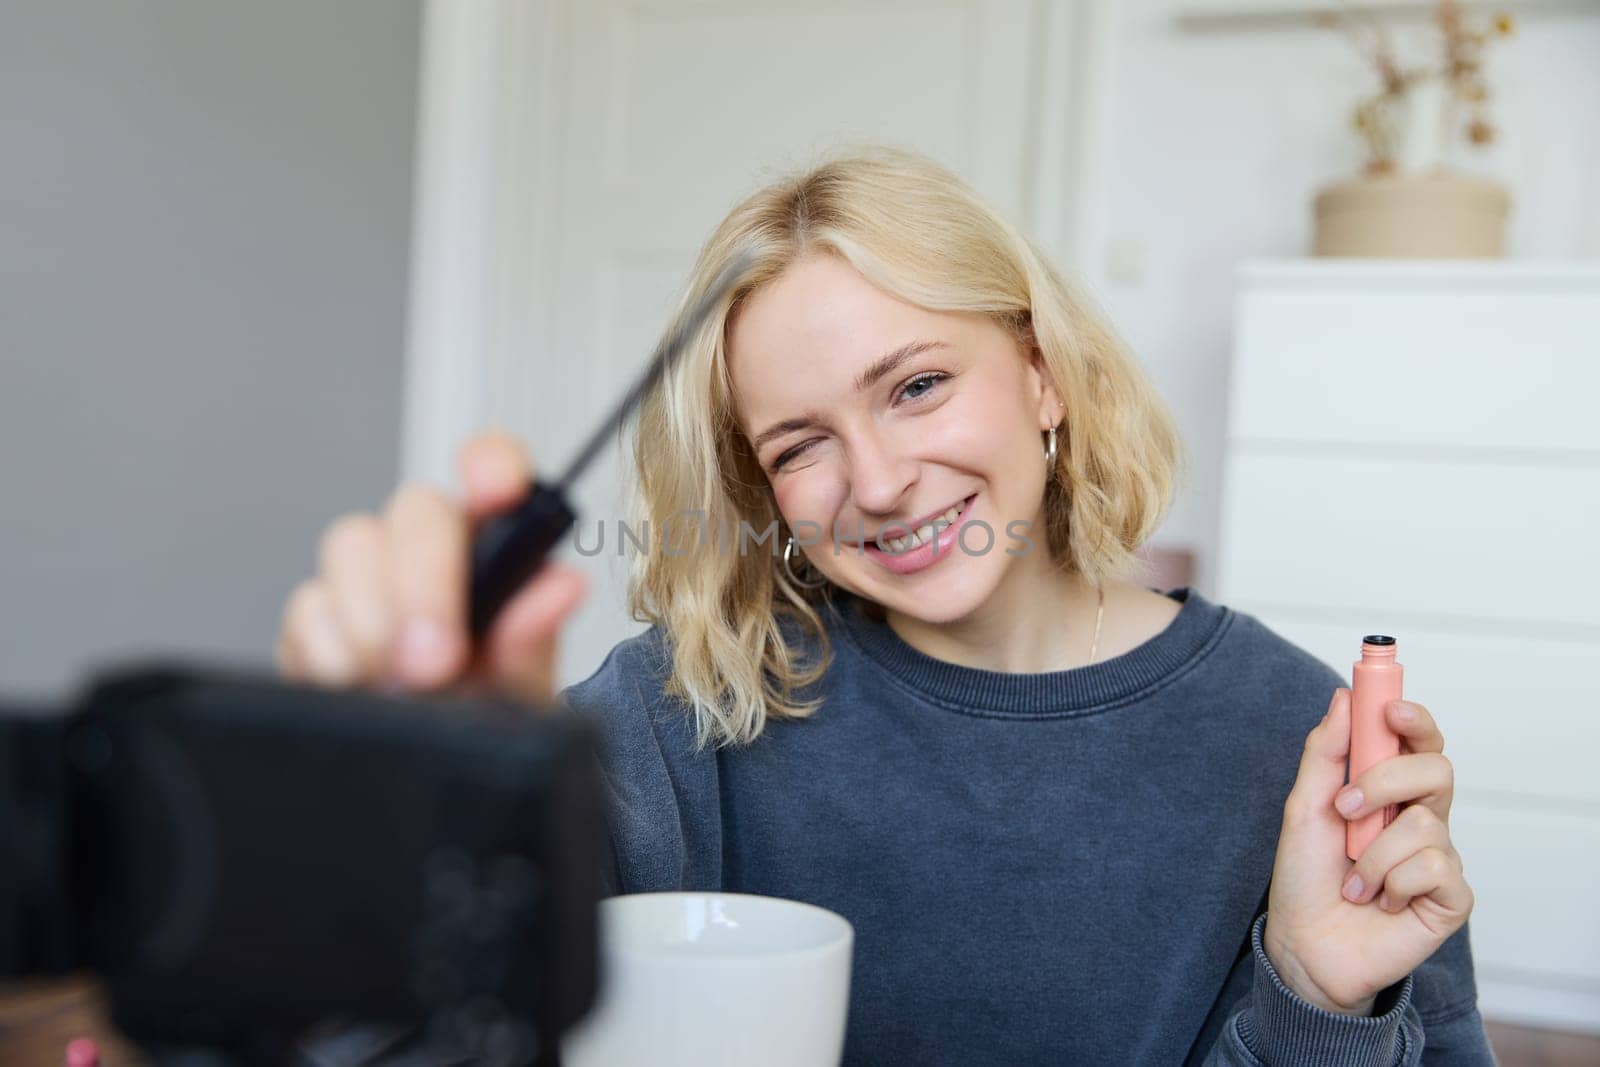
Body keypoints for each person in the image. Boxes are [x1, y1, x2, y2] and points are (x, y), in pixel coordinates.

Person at [276, 146, 1495, 1064]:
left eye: (916, 384)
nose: (875, 481)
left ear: (1042, 372)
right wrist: (403, 819)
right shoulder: (675, 717)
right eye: (801, 442)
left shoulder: (1309, 745)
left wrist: (1316, 1002)